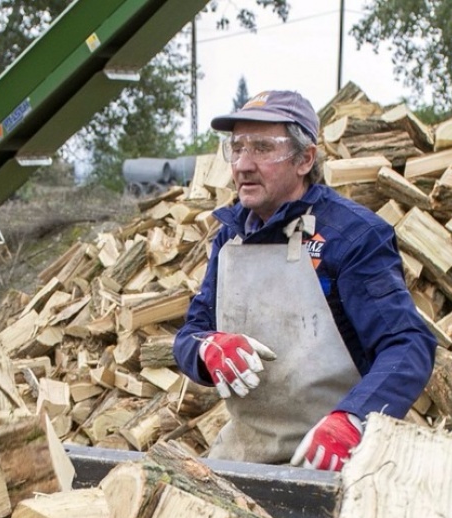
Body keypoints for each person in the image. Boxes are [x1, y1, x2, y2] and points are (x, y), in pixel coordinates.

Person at [173, 90, 435, 471]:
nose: (243, 164)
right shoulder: (230, 238)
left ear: (305, 159)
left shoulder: (353, 236)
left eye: (263, 148)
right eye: (237, 147)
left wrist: (352, 421)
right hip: (247, 456)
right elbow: (191, 333)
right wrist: (207, 349)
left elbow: (408, 344)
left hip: (334, 459)